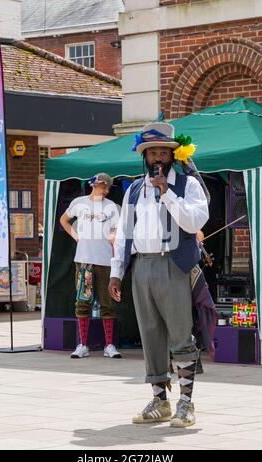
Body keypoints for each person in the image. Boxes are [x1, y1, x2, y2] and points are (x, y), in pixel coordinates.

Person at [109, 122, 209, 427]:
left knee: (180, 334)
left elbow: (194, 222)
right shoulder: (135, 190)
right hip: (142, 266)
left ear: (172, 154)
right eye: (152, 152)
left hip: (174, 264)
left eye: (163, 151)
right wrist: (117, 272)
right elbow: (125, 233)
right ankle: (159, 400)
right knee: (150, 335)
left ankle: (186, 403)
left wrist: (167, 194)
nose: (157, 158)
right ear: (145, 157)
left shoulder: (188, 185)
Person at [60, 173, 122, 359]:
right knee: (82, 301)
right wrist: (75, 235)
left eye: (109, 188)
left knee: (107, 303)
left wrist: (113, 236)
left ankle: (109, 345)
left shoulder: (112, 207)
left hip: (105, 260)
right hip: (84, 260)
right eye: (104, 186)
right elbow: (64, 220)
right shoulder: (79, 203)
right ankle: (82, 345)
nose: (107, 190)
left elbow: (116, 229)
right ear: (95, 184)